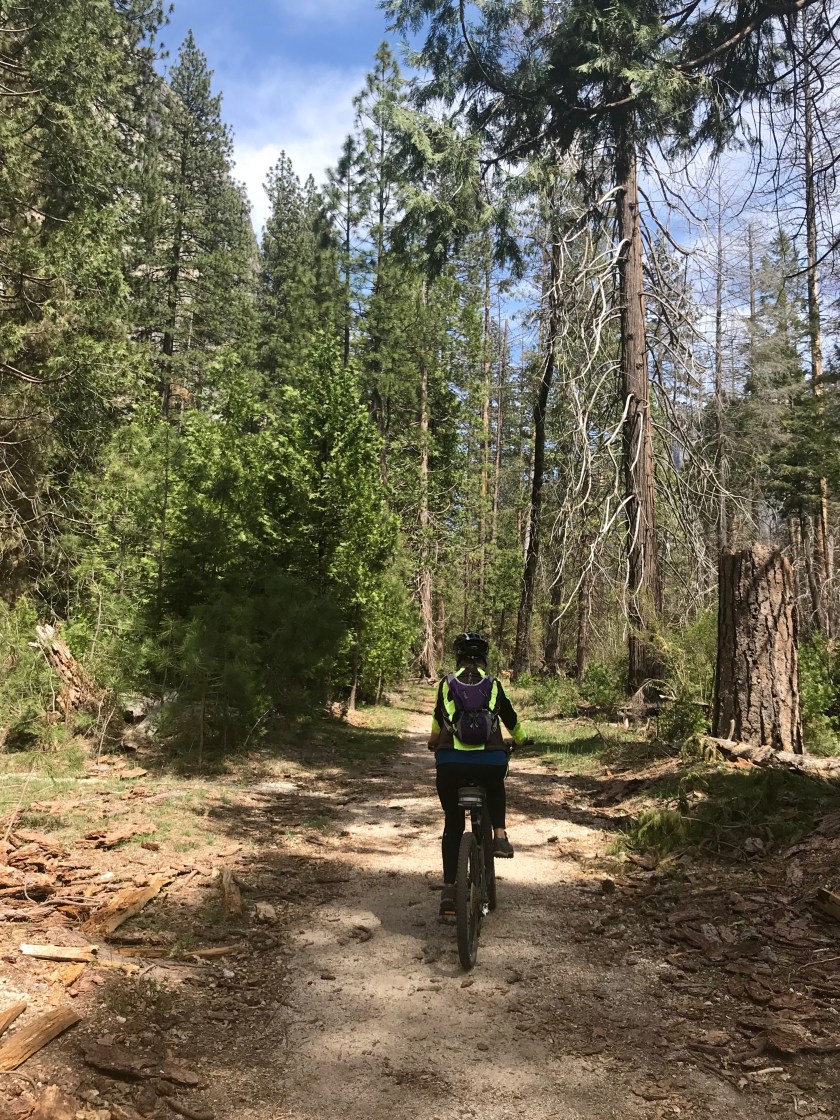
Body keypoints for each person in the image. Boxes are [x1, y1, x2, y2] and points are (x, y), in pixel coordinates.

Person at [428, 631, 529, 918]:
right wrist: (521, 740)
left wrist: (434, 742)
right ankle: (499, 835)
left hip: (451, 763)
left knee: (452, 823)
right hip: (489, 761)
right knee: (496, 783)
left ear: (458, 658)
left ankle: (450, 891)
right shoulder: (494, 685)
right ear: (484, 659)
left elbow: (438, 720)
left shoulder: (447, 683)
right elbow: (510, 718)